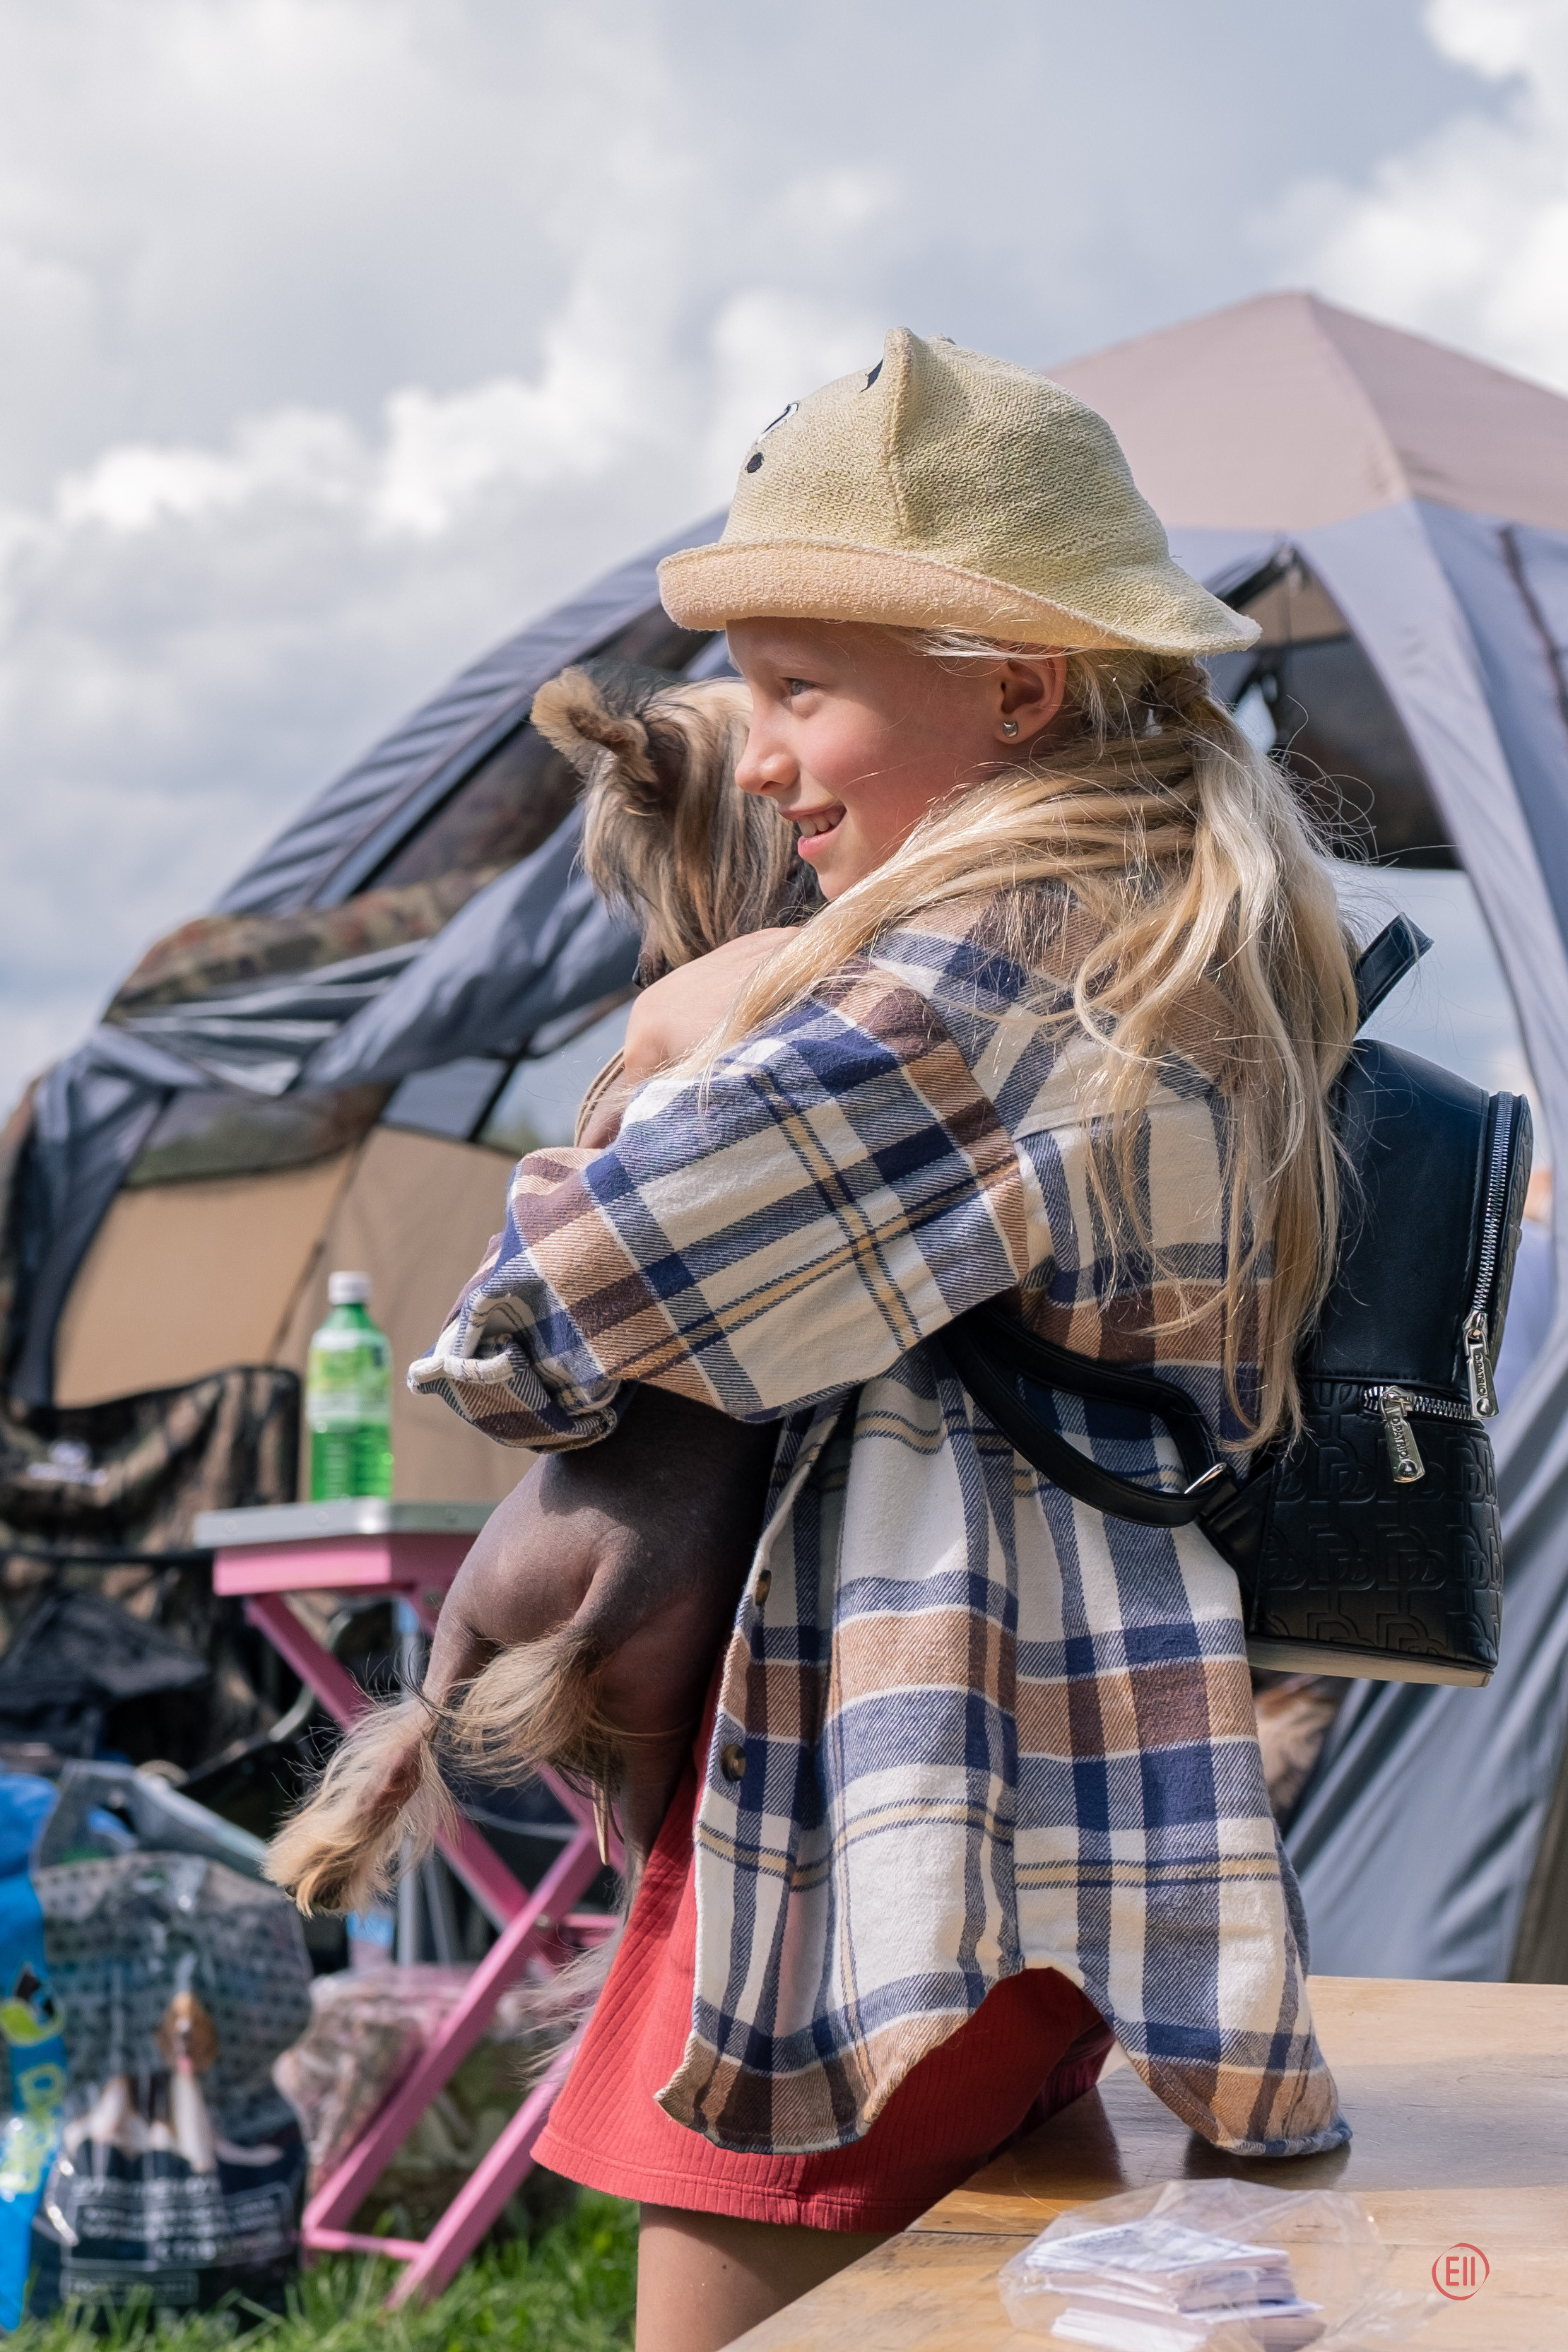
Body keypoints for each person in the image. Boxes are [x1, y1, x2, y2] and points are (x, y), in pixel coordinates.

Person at [409, 329, 1353, 2350]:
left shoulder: (985, 968)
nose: (755, 760)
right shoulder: (1162, 917)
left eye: (798, 691)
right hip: (1047, 1784)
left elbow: (547, 1327)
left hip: (870, 1827)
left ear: (1014, 687)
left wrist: (687, 1030)